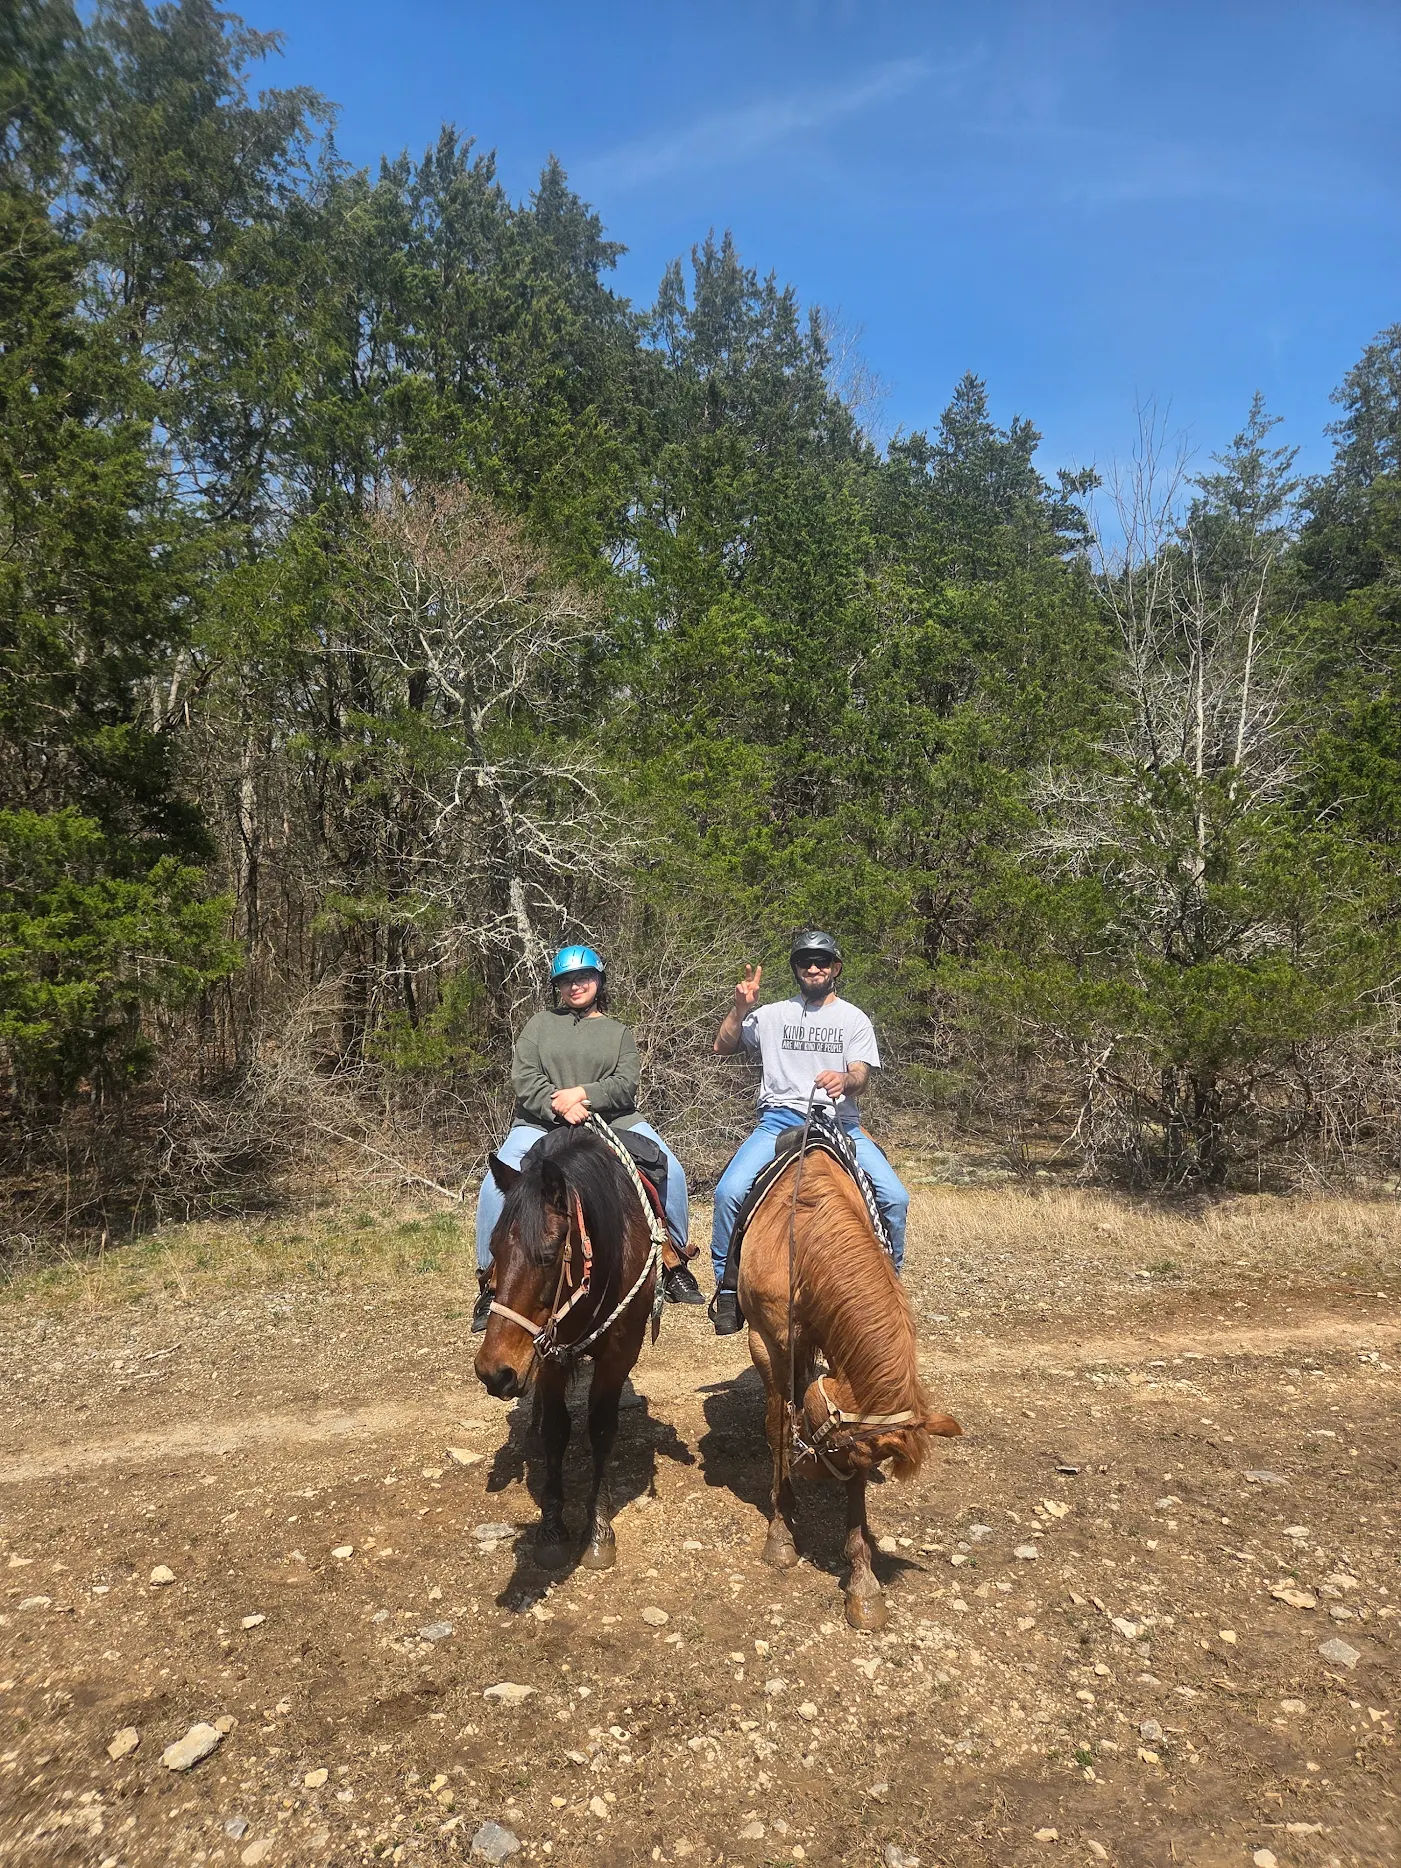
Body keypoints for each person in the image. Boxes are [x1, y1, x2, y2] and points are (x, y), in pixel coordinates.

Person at [472, 944, 702, 1328]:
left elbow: (625, 1083)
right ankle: (490, 1281)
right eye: (567, 980)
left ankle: (672, 1261)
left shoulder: (618, 1032)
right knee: (493, 1188)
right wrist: (558, 1104)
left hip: (614, 1121)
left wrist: (584, 1095)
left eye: (583, 977)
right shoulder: (539, 1025)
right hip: (539, 1122)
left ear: (599, 980)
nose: (576, 985)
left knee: (672, 1172)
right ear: (557, 986)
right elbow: (524, 1077)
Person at [708, 930, 910, 1335]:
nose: (813, 968)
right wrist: (738, 1008)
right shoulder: (772, 1014)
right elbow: (722, 1046)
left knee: (895, 1196)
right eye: (804, 962)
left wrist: (843, 1080)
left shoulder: (853, 1018)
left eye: (821, 961)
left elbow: (861, 1076)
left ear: (835, 968)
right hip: (779, 1119)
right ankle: (728, 1287)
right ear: (796, 970)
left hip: (839, 1122)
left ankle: (887, 1283)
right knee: (729, 1192)